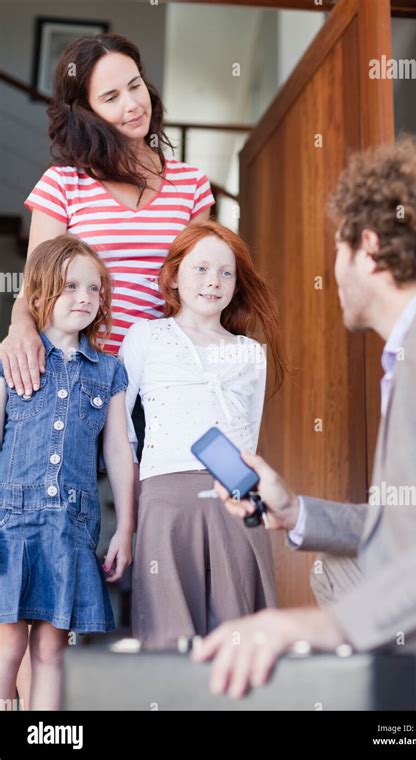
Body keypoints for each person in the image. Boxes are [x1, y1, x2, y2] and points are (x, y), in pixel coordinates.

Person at [191, 138, 416, 711]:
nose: (334, 269)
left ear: (368, 248)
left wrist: (328, 628)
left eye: (337, 247)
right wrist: (296, 512)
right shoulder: (412, 349)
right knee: (335, 565)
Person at [0, 30, 214, 705]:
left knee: (166, 520)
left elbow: (202, 283)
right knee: (44, 533)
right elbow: (37, 283)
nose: (132, 105)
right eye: (111, 95)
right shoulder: (63, 183)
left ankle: (172, 674)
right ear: (88, 109)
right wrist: (15, 329)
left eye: (135, 86)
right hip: (76, 373)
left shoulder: (189, 184)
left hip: (162, 381)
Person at [119, 220, 288, 648]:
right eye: (201, 269)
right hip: (164, 493)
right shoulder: (145, 337)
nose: (213, 282)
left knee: (241, 633)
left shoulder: (251, 353)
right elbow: (120, 432)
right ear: (173, 276)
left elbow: (249, 439)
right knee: (168, 632)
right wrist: (127, 518)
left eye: (226, 273)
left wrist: (250, 501)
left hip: (237, 493)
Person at [0, 234, 134, 710]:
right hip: (10, 527)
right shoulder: (11, 360)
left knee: (52, 650)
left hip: (70, 530)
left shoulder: (110, 372)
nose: (84, 298)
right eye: (70, 286)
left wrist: (127, 529)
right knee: (7, 647)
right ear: (38, 294)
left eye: (95, 289)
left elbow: (119, 453)